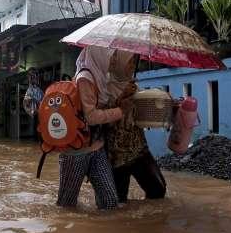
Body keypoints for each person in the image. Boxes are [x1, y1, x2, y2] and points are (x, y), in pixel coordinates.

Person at [56, 46, 133, 210]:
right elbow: (91, 117)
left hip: (97, 147)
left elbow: (102, 108)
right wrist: (120, 111)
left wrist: (122, 99)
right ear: (101, 55)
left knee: (110, 201)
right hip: (76, 151)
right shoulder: (85, 78)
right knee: (66, 206)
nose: (113, 59)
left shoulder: (101, 78)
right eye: (111, 55)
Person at [105, 50, 167, 203]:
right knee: (119, 202)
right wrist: (121, 97)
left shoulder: (135, 86)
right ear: (119, 62)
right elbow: (101, 119)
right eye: (129, 61)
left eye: (134, 61)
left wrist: (166, 108)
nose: (132, 65)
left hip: (139, 148)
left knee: (158, 190)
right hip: (117, 154)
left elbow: (143, 116)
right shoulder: (105, 87)